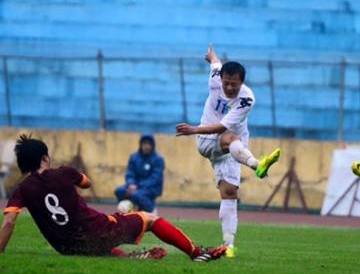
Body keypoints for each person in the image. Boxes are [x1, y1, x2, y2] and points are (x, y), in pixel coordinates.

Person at [0, 135, 226, 262]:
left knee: (100, 245)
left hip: (66, 247)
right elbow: (86, 183)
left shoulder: (21, 190)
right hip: (95, 231)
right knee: (149, 219)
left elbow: (9, 222)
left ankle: (133, 258)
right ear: (45, 157)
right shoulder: (64, 173)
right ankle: (196, 253)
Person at [175, 45, 281, 258]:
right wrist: (211, 55)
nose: (230, 88)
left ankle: (228, 245)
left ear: (242, 82)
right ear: (220, 79)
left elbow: (223, 126)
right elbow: (215, 63)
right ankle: (256, 165)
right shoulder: (215, 78)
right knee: (232, 138)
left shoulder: (246, 98)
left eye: (234, 84)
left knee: (230, 193)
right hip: (207, 140)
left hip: (233, 149)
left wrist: (193, 128)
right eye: (226, 83)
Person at [114, 134, 164, 214]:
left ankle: (152, 212)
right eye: (144, 143)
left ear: (152, 145)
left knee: (136, 195)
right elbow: (129, 173)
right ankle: (127, 213)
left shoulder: (158, 159)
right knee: (120, 190)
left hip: (152, 187)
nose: (146, 146)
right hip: (134, 186)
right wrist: (130, 184)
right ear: (140, 144)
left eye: (149, 144)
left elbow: (155, 178)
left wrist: (137, 186)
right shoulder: (134, 157)